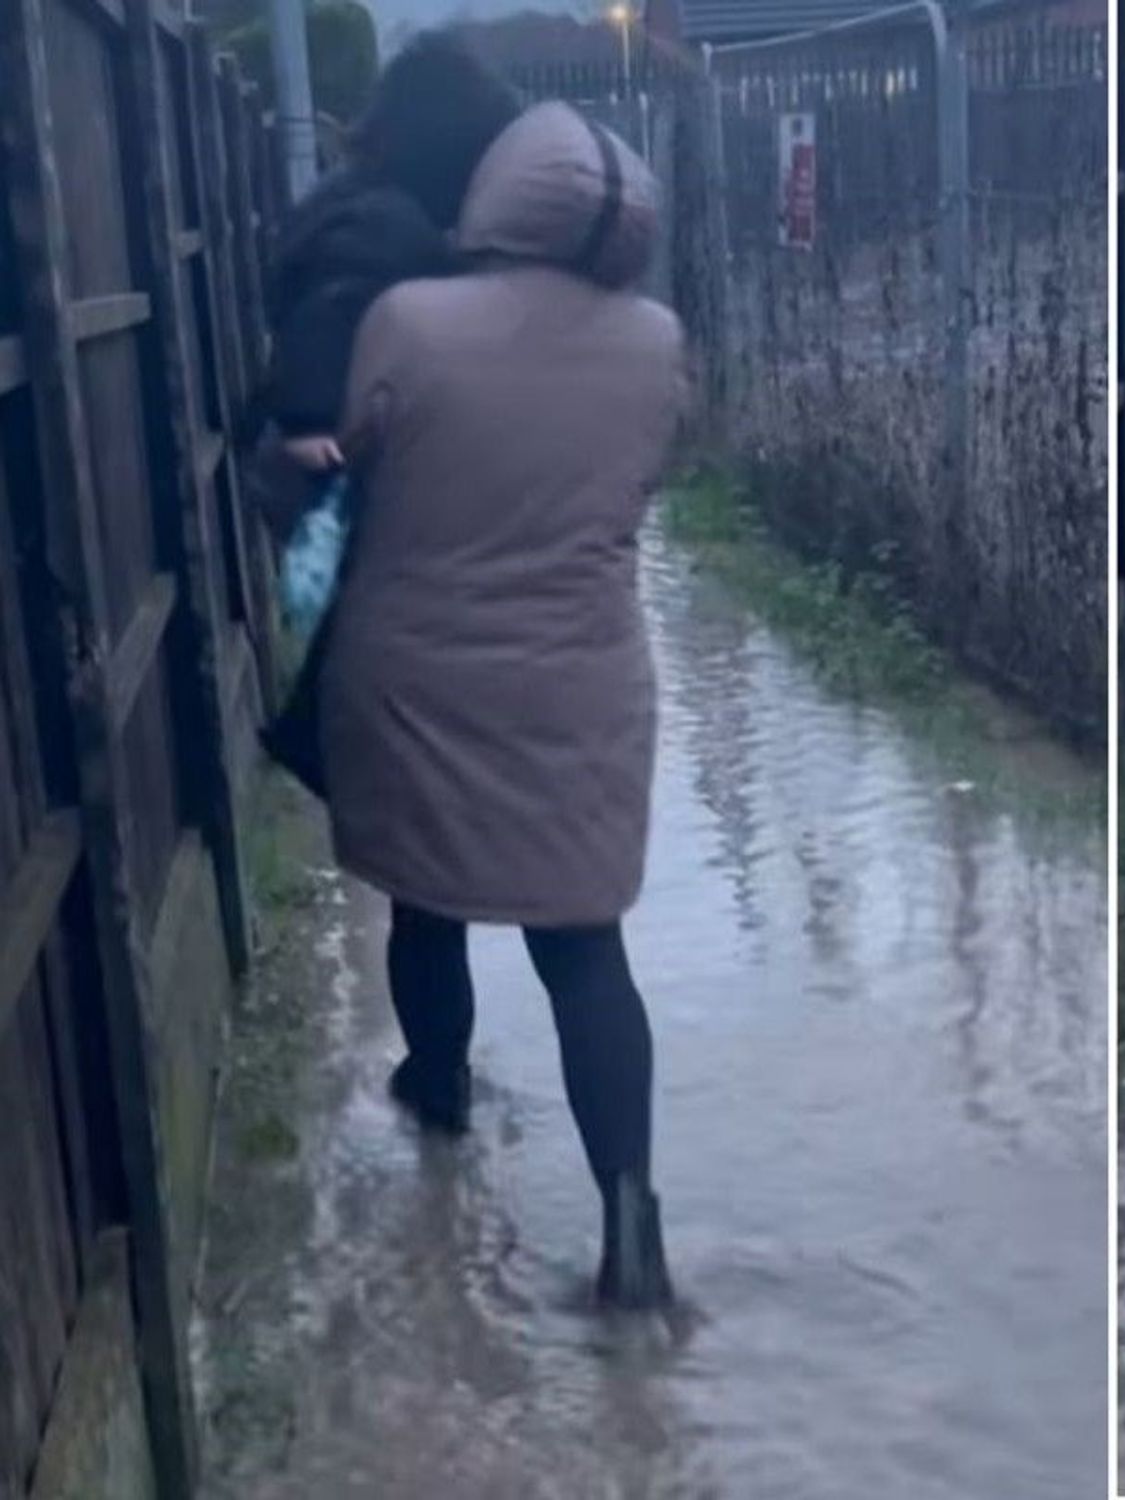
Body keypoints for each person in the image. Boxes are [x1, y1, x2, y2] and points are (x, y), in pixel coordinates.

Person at [261, 99, 692, 1308]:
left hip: (417, 672)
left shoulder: (408, 321)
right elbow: (647, 476)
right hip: (585, 680)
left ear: (497, 195)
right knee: (584, 949)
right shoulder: (655, 341)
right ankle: (631, 1233)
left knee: (424, 901)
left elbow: (345, 467)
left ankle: (438, 1102)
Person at [254, 32, 524, 796]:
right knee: (386, 641)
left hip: (319, 467)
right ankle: (319, 741)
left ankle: (330, 742)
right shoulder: (386, 227)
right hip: (338, 464)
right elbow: (327, 325)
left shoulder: (358, 205)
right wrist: (316, 428)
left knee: (369, 636)